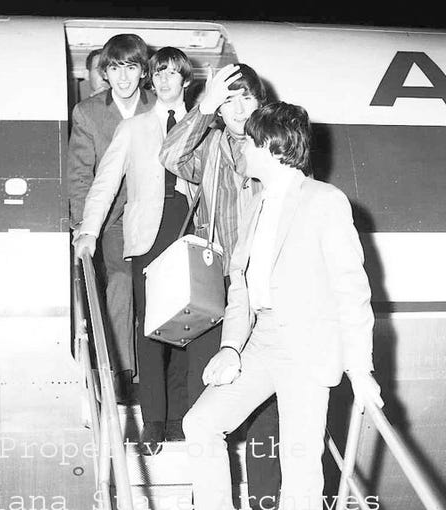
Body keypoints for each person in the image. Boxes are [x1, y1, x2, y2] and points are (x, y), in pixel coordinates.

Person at [182, 102, 383, 510]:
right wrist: (230, 348)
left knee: (300, 471)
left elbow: (352, 291)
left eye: (248, 142)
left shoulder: (325, 201)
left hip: (306, 348)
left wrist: (360, 370)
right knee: (200, 423)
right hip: (262, 340)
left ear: (271, 147)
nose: (241, 149)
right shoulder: (256, 203)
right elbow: (239, 285)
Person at [75, 47, 218, 454]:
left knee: (191, 324)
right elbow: (105, 183)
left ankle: (180, 419)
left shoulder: (206, 125)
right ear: (151, 80)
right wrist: (89, 230)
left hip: (192, 230)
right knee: (151, 327)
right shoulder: (133, 127)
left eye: (172, 73)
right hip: (148, 236)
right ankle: (153, 421)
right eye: (158, 74)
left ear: (186, 81)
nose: (164, 81)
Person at [159, 63, 281, 508]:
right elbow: (170, 157)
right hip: (216, 288)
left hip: (263, 287)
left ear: (260, 102)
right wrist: (204, 108)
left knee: (266, 407)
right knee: (203, 396)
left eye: (246, 97)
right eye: (228, 100)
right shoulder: (209, 144)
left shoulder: (275, 147)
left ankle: (266, 500)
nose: (239, 109)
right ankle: (206, 498)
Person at [68, 34, 154, 401]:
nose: (123, 78)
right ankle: (122, 375)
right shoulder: (88, 113)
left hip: (154, 212)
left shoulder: (158, 105)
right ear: (105, 73)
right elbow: (79, 175)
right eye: (115, 69)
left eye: (130, 68)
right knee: (120, 279)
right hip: (112, 218)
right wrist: (83, 229)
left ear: (143, 71)